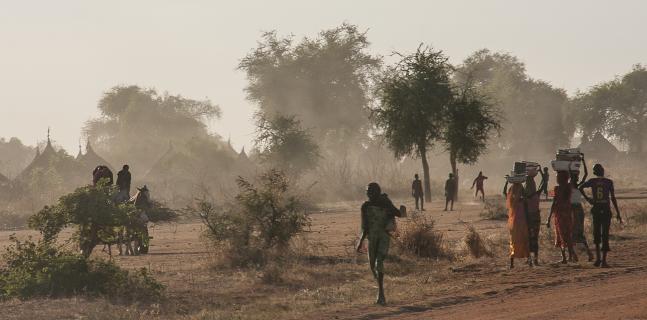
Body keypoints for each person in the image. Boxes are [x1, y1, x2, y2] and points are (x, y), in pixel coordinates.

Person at [356, 182, 403, 305]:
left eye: (371, 191)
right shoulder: (365, 206)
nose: (369, 194)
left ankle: (381, 293)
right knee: (372, 266)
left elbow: (399, 213)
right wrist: (360, 241)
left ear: (377, 192)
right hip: (371, 237)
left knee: (379, 262)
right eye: (367, 192)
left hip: (383, 236)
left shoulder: (385, 202)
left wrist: (390, 210)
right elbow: (365, 226)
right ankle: (380, 288)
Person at [579, 164, 622, 268]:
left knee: (597, 234)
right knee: (605, 235)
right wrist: (618, 213)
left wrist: (588, 199)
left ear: (594, 172)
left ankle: (598, 259)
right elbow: (613, 198)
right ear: (603, 171)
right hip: (606, 209)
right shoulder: (608, 182)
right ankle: (604, 261)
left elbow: (580, 187)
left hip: (596, 209)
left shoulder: (592, 181)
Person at [546, 171, 577, 264]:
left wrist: (549, 217)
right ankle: (570, 256)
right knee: (568, 236)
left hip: (559, 215)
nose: (556, 179)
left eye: (557, 177)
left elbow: (553, 203)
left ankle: (565, 257)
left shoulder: (556, 189)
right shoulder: (569, 188)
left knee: (561, 235)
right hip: (567, 214)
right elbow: (573, 179)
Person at [570, 156, 594, 261]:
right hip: (577, 210)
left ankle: (584, 255)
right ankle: (582, 255)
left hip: (575, 211)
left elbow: (585, 174)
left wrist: (583, 161)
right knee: (576, 233)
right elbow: (585, 174)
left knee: (576, 233)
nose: (576, 178)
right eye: (574, 177)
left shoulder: (575, 186)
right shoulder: (576, 186)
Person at [503, 179, 530, 268]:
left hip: (515, 223)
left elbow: (504, 193)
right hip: (521, 222)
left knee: (515, 240)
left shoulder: (513, 202)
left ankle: (512, 264)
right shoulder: (520, 201)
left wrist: (507, 183)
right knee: (523, 239)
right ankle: (528, 260)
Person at [525, 168, 545, 266]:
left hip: (529, 219)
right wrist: (540, 172)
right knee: (534, 239)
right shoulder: (536, 194)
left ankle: (530, 260)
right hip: (535, 218)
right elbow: (544, 182)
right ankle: (535, 260)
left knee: (529, 239)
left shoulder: (524, 197)